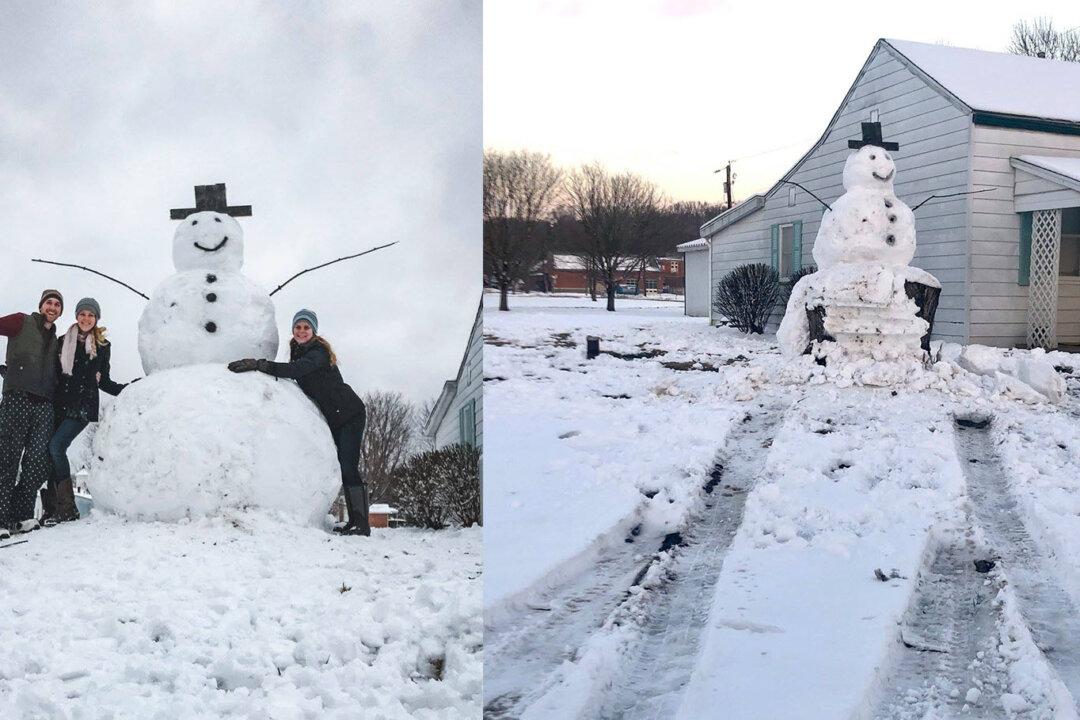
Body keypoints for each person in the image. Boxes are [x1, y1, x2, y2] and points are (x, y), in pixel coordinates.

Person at [228, 309, 370, 535]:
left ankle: (361, 524)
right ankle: (355, 521)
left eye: (306, 327)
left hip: (349, 414)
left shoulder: (318, 352)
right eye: (298, 327)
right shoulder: (298, 350)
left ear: (313, 331)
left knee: (348, 466)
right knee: (342, 466)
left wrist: (260, 364)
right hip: (333, 415)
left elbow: (296, 370)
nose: (301, 331)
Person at [43, 298, 129, 525]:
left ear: (96, 319)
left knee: (56, 446)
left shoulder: (102, 346)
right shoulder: (63, 342)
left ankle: (67, 508)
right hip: (59, 404)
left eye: (91, 315)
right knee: (50, 452)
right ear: (76, 316)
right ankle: (51, 510)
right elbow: (53, 375)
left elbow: (105, 381)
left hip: (82, 406)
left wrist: (128, 389)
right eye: (82, 314)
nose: (86, 318)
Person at [0, 290, 64, 538]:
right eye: (49, 302)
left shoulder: (56, 339)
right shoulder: (21, 321)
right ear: (41, 305)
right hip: (18, 398)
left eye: (57, 304)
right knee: (7, 459)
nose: (53, 307)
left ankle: (20, 515)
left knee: (37, 462)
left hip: (44, 404)